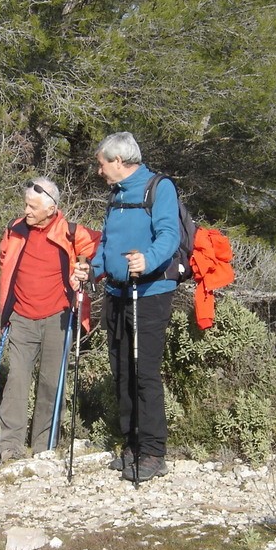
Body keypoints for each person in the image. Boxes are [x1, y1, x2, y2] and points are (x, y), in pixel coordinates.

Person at [74, 133, 180, 482]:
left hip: (150, 294)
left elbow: (169, 235)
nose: (100, 170)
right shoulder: (116, 196)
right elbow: (106, 244)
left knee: (144, 372)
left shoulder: (159, 188)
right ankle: (131, 444)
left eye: (102, 163)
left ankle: (153, 452)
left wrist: (147, 259)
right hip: (118, 295)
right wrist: (93, 268)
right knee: (121, 370)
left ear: (118, 161)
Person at [0, 177, 100, 461]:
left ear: (51, 209)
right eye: (26, 205)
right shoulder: (15, 229)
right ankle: (11, 448)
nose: (26, 211)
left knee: (51, 382)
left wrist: (86, 266)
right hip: (20, 317)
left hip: (59, 317)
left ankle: (44, 446)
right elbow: (4, 259)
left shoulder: (71, 232)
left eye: (32, 206)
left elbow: (99, 247)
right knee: (16, 380)